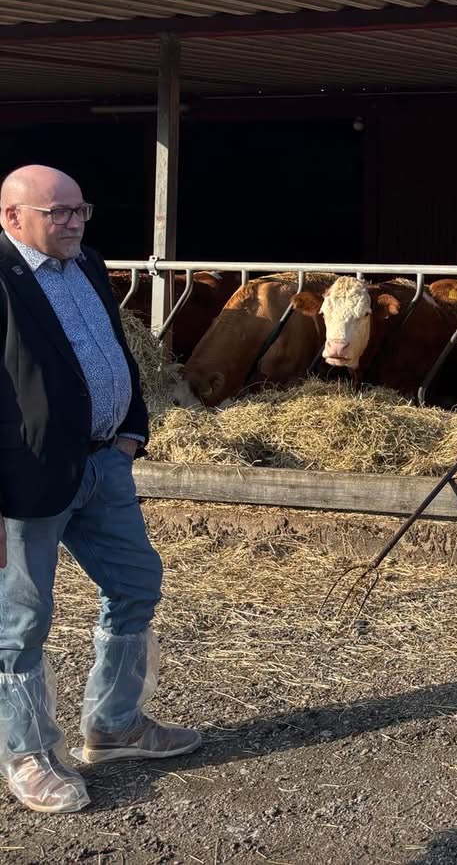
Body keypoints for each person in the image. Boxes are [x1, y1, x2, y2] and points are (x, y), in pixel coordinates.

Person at [0, 165, 202, 814]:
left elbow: (110, 346)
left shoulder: (86, 263)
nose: (72, 222)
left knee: (136, 583)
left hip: (103, 464)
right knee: (20, 622)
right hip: (24, 480)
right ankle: (26, 753)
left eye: (79, 209)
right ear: (12, 218)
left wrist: (131, 430)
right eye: (56, 212)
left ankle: (113, 726)